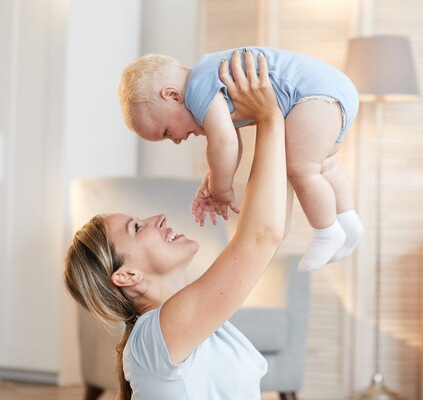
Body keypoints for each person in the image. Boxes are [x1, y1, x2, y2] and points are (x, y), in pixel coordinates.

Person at [65, 51, 287, 400]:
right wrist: (271, 117)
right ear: (126, 276)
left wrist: (272, 127)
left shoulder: (178, 327)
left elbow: (266, 231)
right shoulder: (161, 332)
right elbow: (262, 236)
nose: (159, 219)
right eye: (137, 228)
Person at [118, 47, 364, 271]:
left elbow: (224, 143)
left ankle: (326, 231)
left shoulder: (197, 89)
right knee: (325, 166)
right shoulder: (208, 82)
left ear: (172, 95)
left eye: (167, 132)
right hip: (331, 91)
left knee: (300, 168)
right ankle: (349, 222)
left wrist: (220, 189)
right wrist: (214, 177)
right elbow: (230, 144)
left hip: (313, 97)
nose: (176, 140)